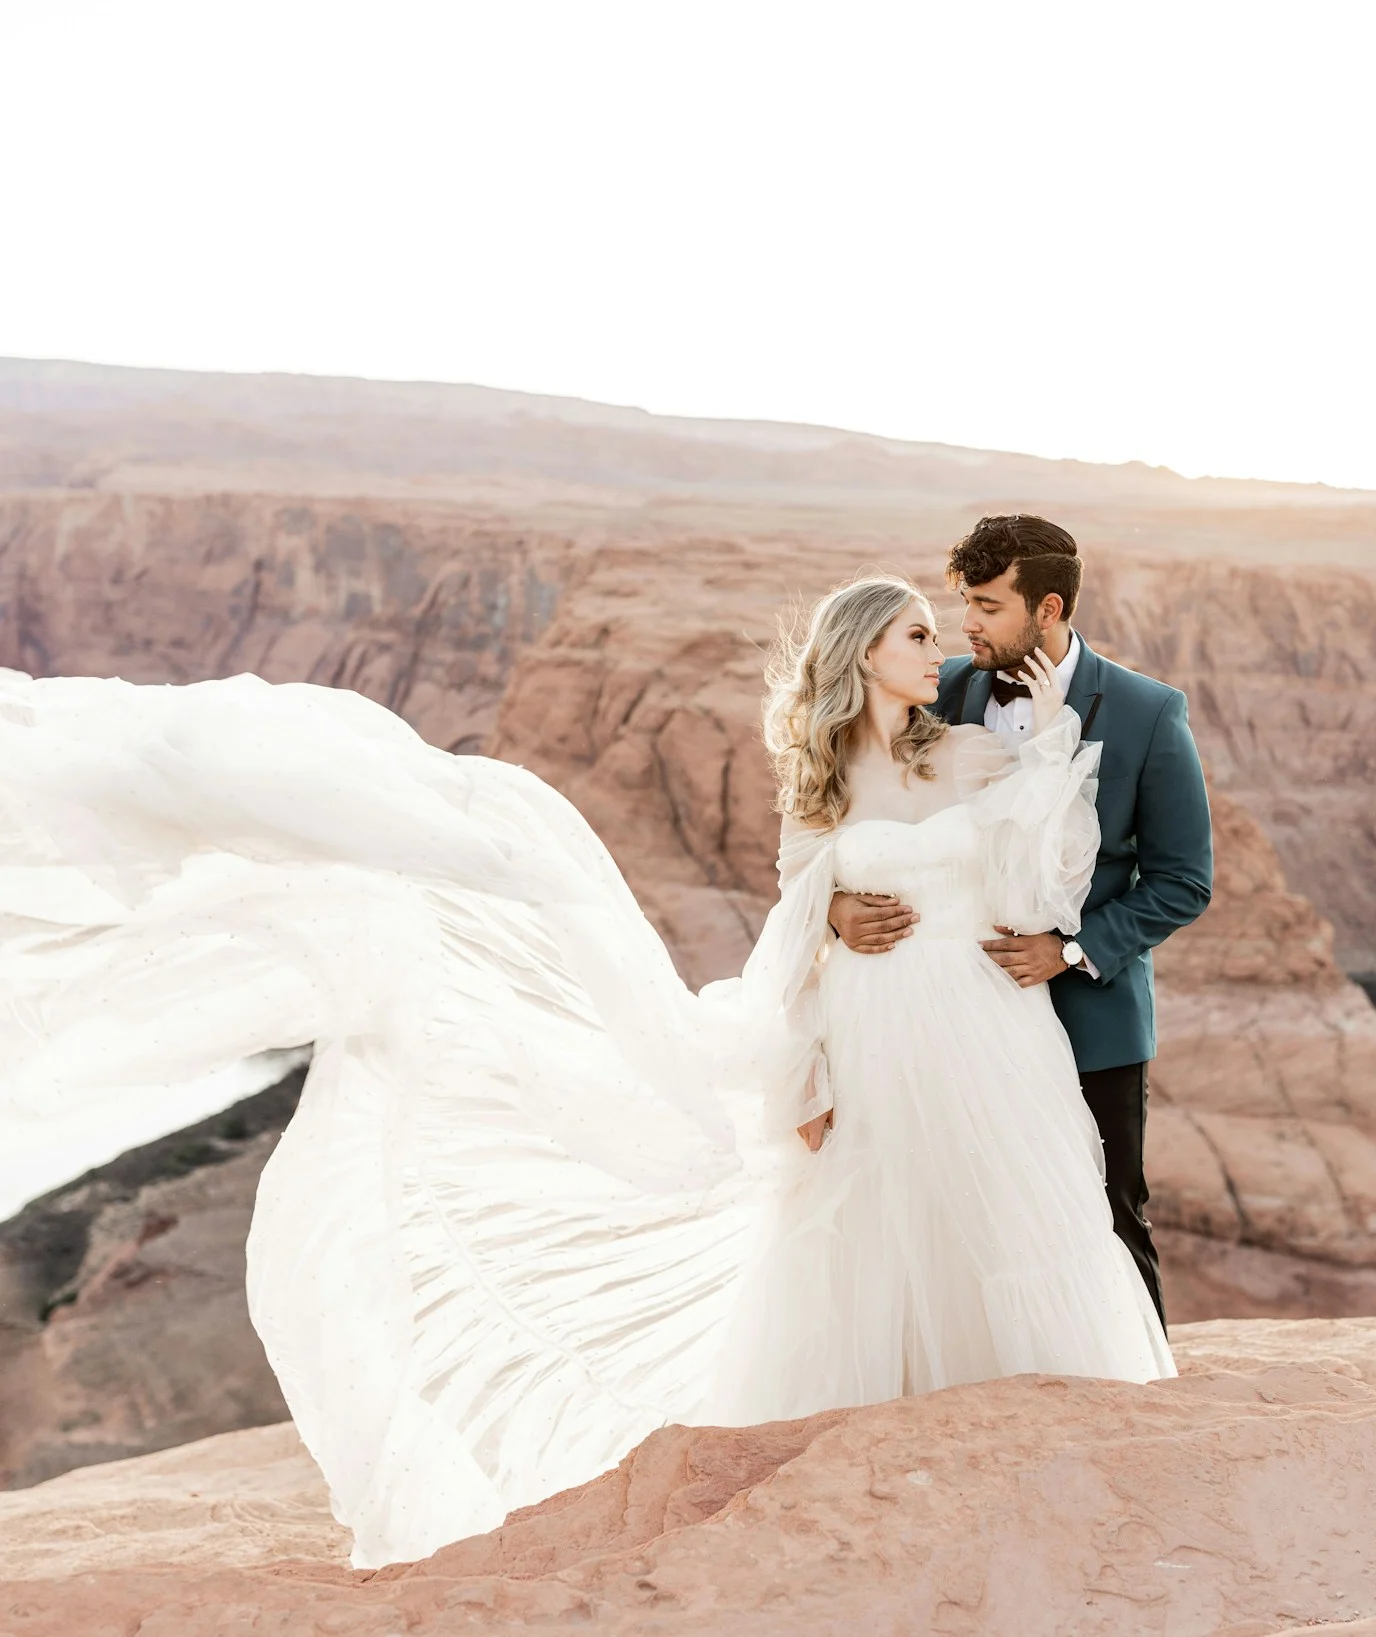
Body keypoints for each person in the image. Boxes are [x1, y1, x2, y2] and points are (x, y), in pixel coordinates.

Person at [0, 572, 1171, 1571]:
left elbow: (1052, 839)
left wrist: (1041, 922)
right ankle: (881, 1490)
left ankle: (1056, 1471)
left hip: (975, 1021)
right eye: (918, 632)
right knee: (873, 1229)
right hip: (870, 1028)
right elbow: (788, 935)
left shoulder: (971, 748)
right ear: (865, 650)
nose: (943, 650)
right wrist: (813, 1000)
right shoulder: (818, 789)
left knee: (1002, 1211)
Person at [828, 517, 1214, 1324]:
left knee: (1105, 1215)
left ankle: (1137, 1411)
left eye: (987, 606)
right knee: (962, 1219)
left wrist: (1068, 951)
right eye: (963, 602)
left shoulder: (1148, 712)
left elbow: (1183, 881)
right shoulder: (943, 687)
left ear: (1047, 608)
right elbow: (862, 817)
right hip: (949, 1019)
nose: (966, 624)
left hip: (1087, 1016)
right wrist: (835, 907)